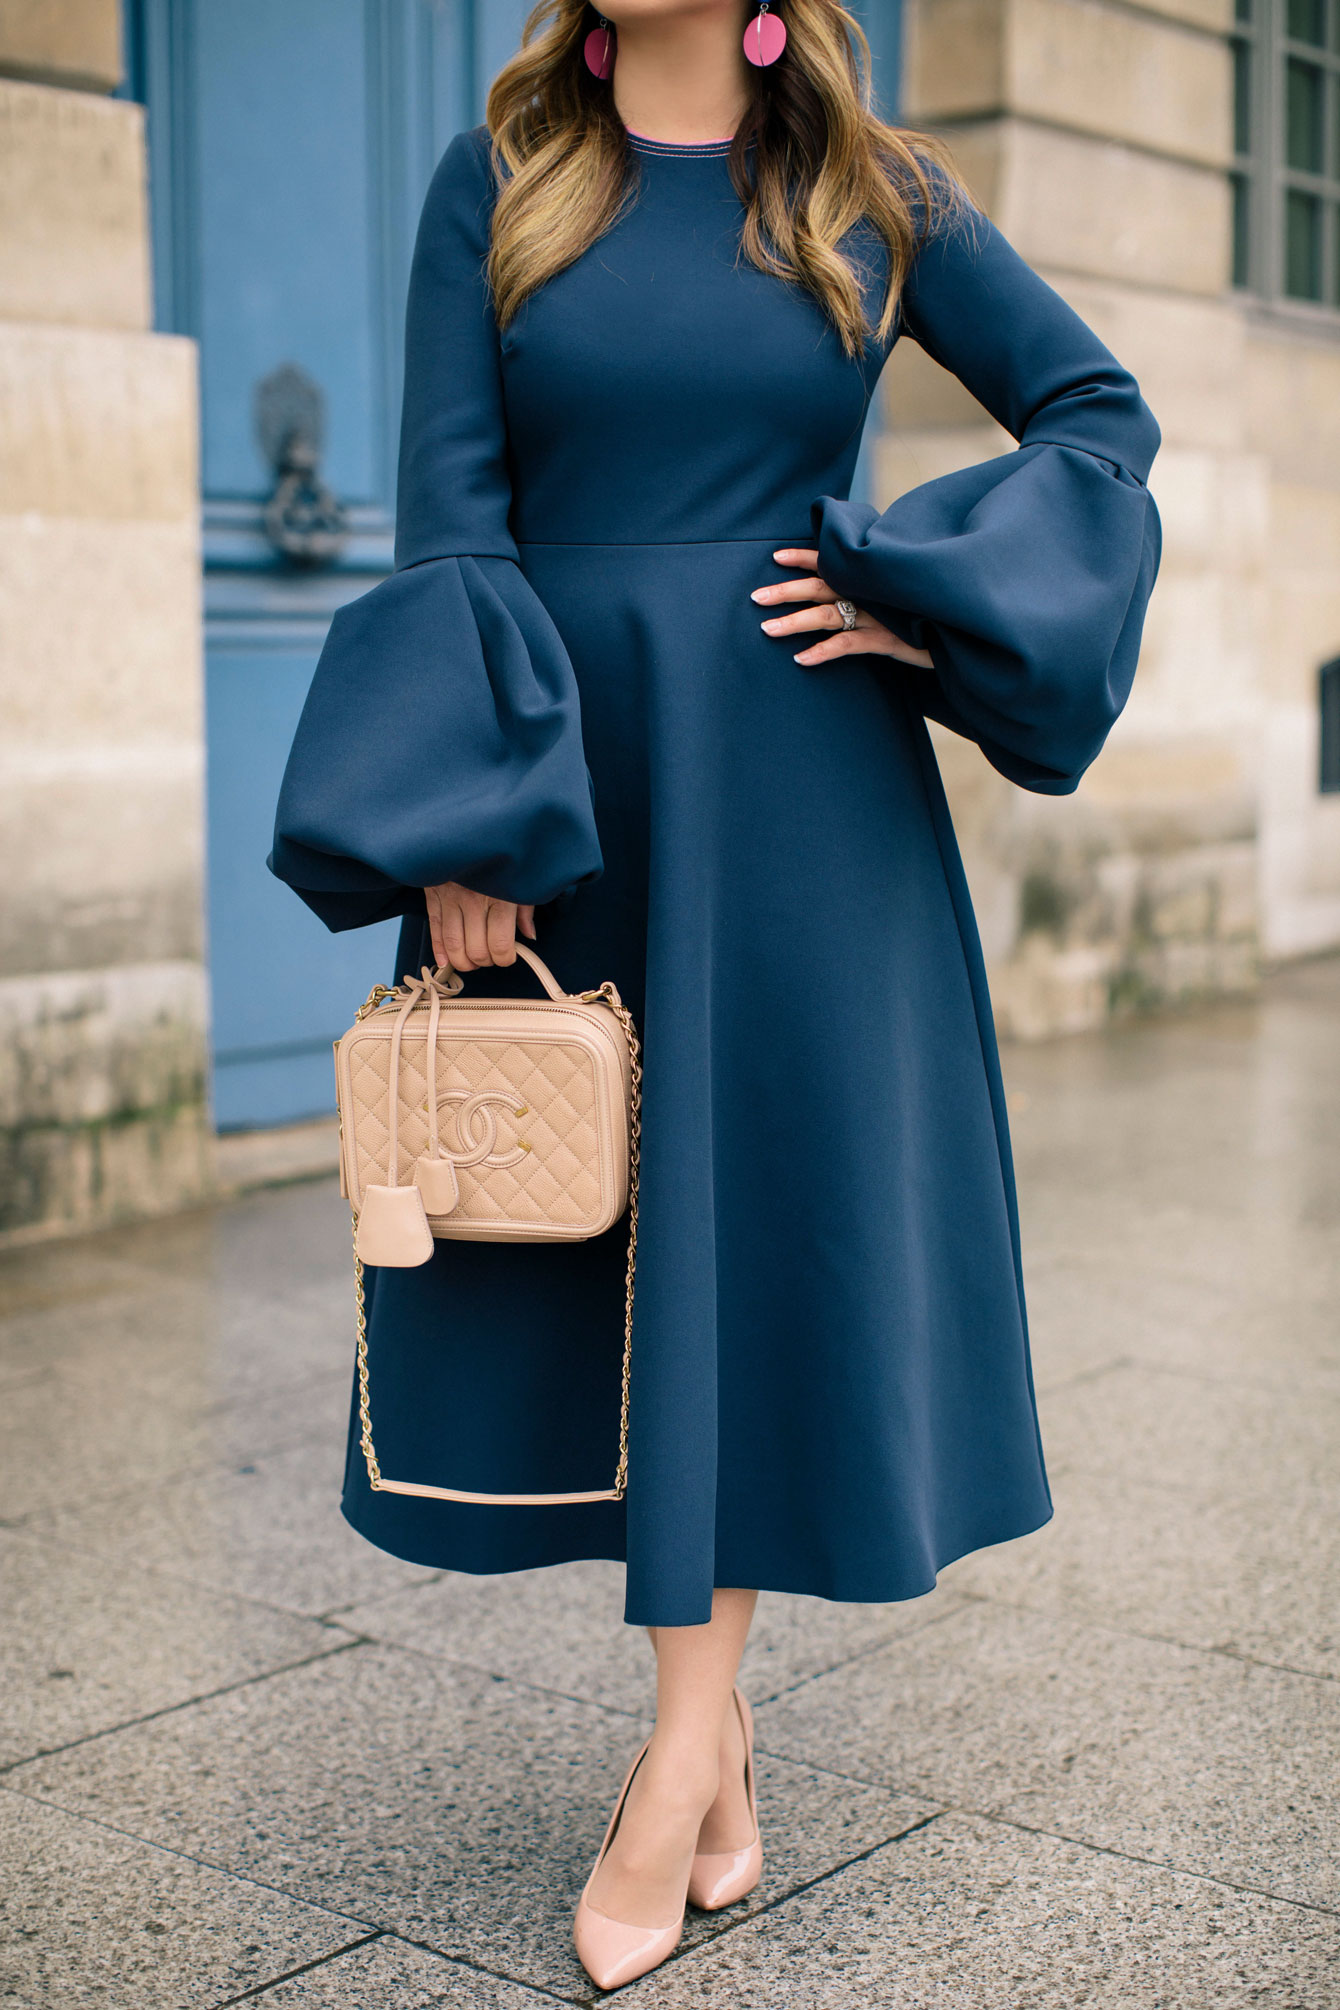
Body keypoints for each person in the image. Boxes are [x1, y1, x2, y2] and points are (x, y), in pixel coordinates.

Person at [269, 0, 1161, 1989]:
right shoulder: (500, 173)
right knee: (601, 1253)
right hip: (561, 792)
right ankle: (718, 1731)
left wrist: (910, 595)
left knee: (744, 1247)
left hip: (799, 808)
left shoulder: (871, 186)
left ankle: (680, 1745)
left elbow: (1096, 418)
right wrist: (469, 815)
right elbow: (448, 504)